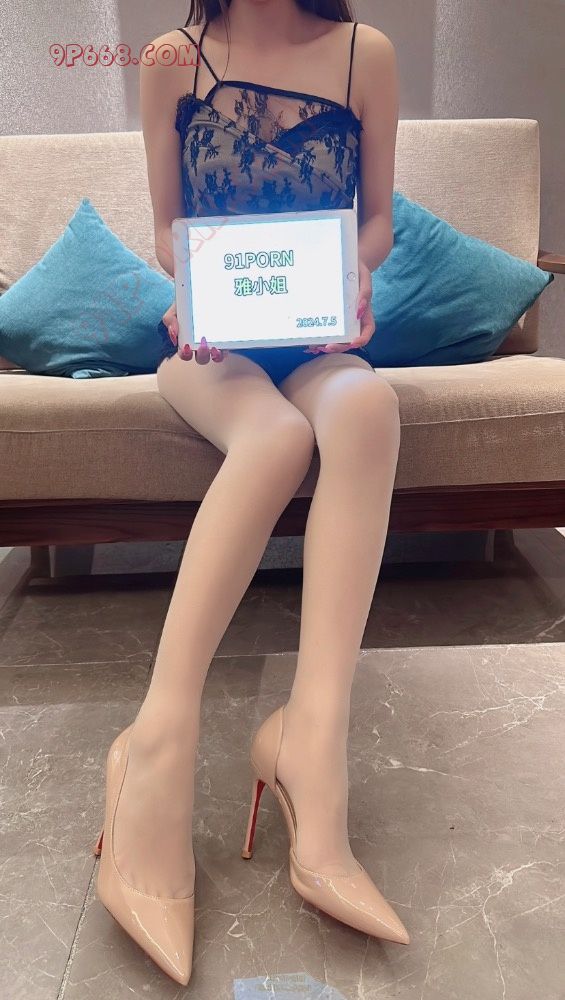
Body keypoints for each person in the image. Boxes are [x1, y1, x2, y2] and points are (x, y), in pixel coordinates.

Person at [93, 0, 406, 986]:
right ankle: (156, 742)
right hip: (212, 345)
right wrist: (190, 286)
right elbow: (166, 227)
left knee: (367, 409)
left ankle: (312, 743)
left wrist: (356, 277)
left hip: (315, 332)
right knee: (273, 440)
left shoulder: (364, 53)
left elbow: (377, 218)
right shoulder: (170, 57)